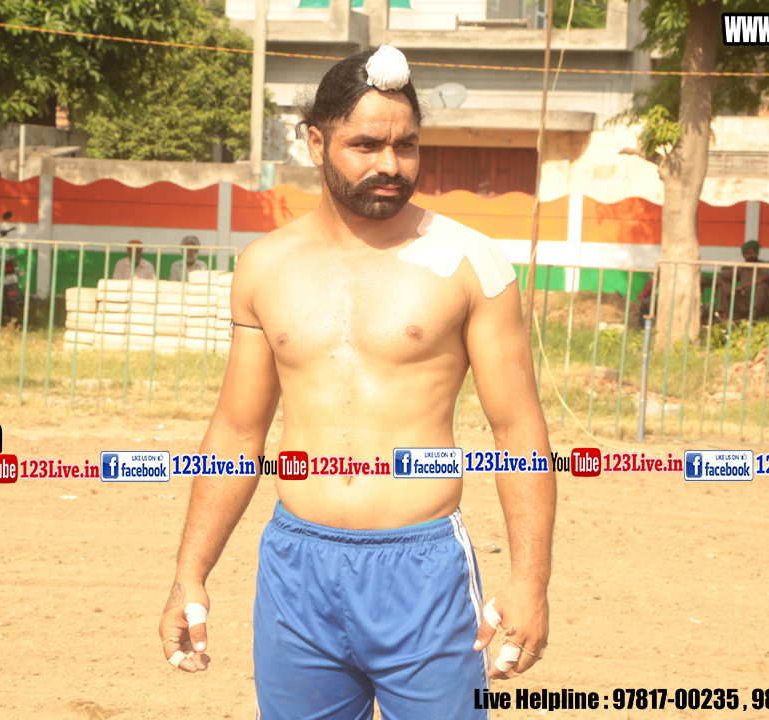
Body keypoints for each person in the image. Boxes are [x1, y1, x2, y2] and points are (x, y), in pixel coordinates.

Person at [158, 46, 556, 720]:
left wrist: (530, 581)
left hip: (422, 571)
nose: (390, 164)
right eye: (366, 145)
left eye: (407, 145)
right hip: (296, 570)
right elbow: (237, 430)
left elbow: (517, 428)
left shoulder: (471, 263)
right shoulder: (265, 266)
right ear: (316, 143)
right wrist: (188, 575)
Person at [718, 240, 769, 321]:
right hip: (746, 301)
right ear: (744, 255)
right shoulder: (742, 267)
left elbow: (763, 277)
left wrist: (742, 287)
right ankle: (725, 318)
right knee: (722, 286)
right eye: (747, 253)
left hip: (763, 303)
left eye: (753, 252)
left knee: (762, 285)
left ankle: (751, 318)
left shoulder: (764, 265)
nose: (751, 255)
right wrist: (725, 286)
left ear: (757, 253)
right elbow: (720, 277)